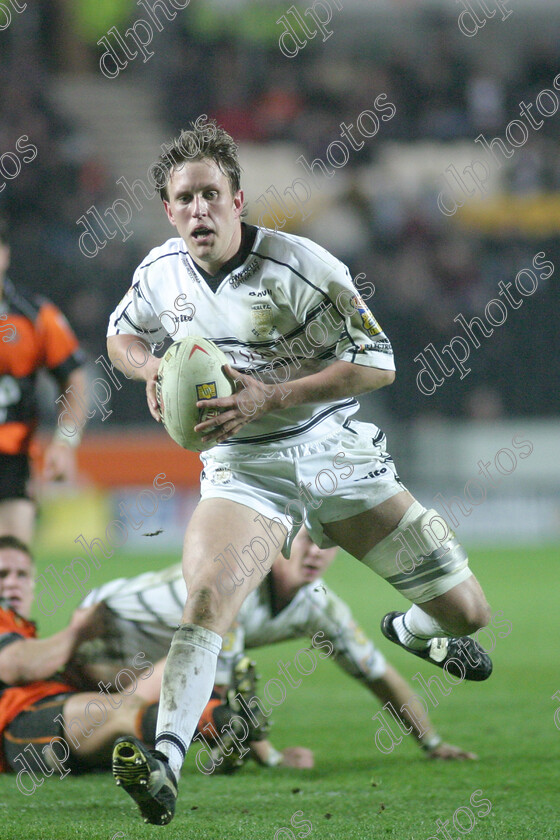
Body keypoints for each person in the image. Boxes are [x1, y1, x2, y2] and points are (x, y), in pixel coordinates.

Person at [106, 119, 491, 825]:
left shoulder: (302, 267)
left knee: (468, 613)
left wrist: (273, 395)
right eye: (184, 198)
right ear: (168, 209)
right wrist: (151, 367)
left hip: (330, 450)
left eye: (210, 196)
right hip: (242, 465)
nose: (198, 210)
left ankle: (410, 631)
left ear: (238, 200)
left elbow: (380, 363)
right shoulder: (159, 272)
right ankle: (164, 763)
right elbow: (120, 333)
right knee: (206, 601)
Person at [73, 528, 476, 772]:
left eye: (328, 545)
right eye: (307, 540)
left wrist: (432, 743)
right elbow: (221, 684)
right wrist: (270, 756)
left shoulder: (321, 607)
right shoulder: (238, 586)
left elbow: (378, 675)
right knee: (195, 703)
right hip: (102, 632)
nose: (316, 552)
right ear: (283, 544)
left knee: (190, 707)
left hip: (160, 658)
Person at [0, 535, 163, 788]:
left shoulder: (23, 631)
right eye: (2, 574)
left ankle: (225, 719)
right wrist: (79, 632)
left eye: (21, 575)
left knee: (172, 671)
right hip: (22, 726)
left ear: (32, 584)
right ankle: (217, 722)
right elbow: (17, 665)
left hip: (62, 712)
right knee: (124, 710)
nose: (12, 583)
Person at [0, 220, 88, 544]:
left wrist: (66, 441)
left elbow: (73, 378)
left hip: (12, 462)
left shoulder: (35, 317)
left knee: (11, 567)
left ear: (5, 254)